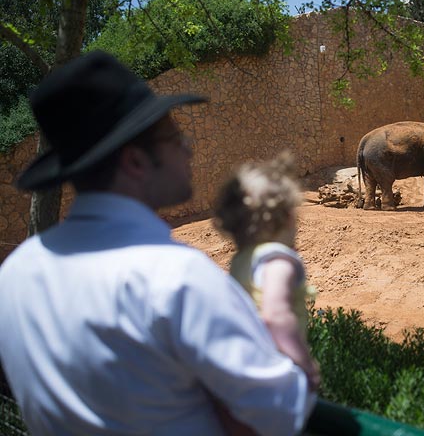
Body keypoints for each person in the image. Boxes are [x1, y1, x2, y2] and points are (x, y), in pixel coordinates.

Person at [0, 51, 314, 435]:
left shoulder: (14, 274)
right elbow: (280, 410)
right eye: (174, 137)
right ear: (134, 161)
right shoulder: (176, 279)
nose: (188, 146)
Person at [212, 152, 321, 392]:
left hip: (244, 368)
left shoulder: (241, 260)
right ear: (288, 218)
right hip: (274, 372)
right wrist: (304, 363)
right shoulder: (278, 261)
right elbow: (275, 315)